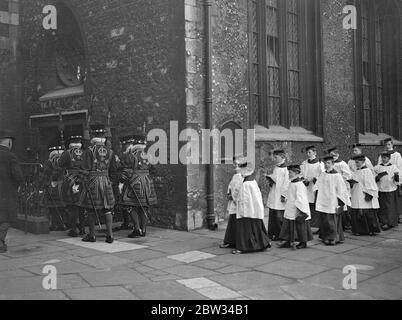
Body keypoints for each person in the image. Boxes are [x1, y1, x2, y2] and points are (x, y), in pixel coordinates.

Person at [79, 124, 119, 243]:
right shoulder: (110, 152)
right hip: (106, 182)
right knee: (108, 208)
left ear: (93, 136)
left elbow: (84, 169)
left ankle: (92, 235)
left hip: (93, 182)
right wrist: (110, 181)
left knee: (91, 209)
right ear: (103, 137)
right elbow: (114, 170)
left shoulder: (89, 151)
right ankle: (110, 235)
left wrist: (80, 182)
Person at [118, 132, 157, 238]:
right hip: (147, 182)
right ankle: (144, 229)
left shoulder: (132, 155)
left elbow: (127, 170)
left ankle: (137, 228)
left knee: (130, 205)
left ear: (134, 143)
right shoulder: (149, 155)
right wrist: (148, 177)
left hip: (134, 182)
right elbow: (153, 169)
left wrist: (122, 181)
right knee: (144, 206)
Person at [232, 159, 271, 254]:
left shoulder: (246, 184)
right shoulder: (252, 181)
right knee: (256, 227)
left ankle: (244, 247)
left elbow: (244, 201)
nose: (239, 171)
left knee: (246, 229)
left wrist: (242, 212)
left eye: (241, 169)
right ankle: (261, 244)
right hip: (254, 210)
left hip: (247, 212)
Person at [314, 155, 351, 246]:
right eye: (325, 163)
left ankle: (334, 237)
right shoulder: (323, 174)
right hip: (324, 200)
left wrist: (340, 201)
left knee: (332, 220)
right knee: (325, 219)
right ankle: (325, 236)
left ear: (333, 164)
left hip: (333, 200)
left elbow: (341, 189)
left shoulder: (337, 176)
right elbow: (318, 186)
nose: (326, 165)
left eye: (328, 163)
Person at [278, 165, 313, 250]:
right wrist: (284, 197)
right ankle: (288, 240)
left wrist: (300, 209)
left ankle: (303, 242)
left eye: (290, 172)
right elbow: (289, 192)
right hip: (290, 206)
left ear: (296, 173)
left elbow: (301, 198)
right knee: (288, 223)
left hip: (297, 207)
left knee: (299, 225)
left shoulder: (299, 185)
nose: (288, 174)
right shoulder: (292, 183)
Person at [0, 130, 24, 253]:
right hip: (7, 192)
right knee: (6, 218)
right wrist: (20, 184)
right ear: (9, 142)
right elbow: (17, 175)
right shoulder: (10, 155)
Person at [59, 136, 86, 237]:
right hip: (83, 179)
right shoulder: (85, 152)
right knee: (81, 204)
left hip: (71, 180)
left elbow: (60, 165)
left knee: (72, 205)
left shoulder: (67, 153)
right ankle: (82, 228)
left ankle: (73, 229)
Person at [349, 154, 381, 236]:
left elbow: (370, 183)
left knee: (367, 212)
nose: (356, 164)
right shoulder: (357, 170)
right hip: (356, 193)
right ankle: (359, 230)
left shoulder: (367, 171)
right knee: (357, 210)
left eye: (358, 162)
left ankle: (370, 229)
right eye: (355, 162)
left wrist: (369, 194)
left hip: (364, 194)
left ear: (363, 161)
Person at [41, 145, 67, 231]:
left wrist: (44, 183)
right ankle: (62, 223)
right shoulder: (64, 160)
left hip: (52, 185)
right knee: (61, 207)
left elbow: (46, 173)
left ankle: (54, 224)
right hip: (63, 185)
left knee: (52, 207)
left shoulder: (50, 161)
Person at [327, 146, 353, 231]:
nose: (333, 157)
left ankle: (346, 223)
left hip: (342, 186)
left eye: (334, 155)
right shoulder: (330, 163)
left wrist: (339, 178)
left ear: (337, 155)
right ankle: (338, 223)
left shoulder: (342, 164)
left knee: (343, 203)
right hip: (332, 187)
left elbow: (348, 175)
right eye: (331, 155)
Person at [220, 156, 243, 249]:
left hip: (238, 202)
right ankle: (231, 240)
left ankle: (236, 241)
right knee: (232, 221)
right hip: (233, 201)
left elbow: (240, 188)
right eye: (234, 163)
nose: (235, 165)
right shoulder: (235, 175)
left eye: (237, 163)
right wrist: (229, 193)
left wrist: (233, 196)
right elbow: (231, 186)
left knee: (237, 222)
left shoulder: (242, 175)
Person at [266, 149, 289, 241]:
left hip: (280, 195)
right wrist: (270, 180)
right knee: (273, 215)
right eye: (274, 157)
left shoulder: (286, 170)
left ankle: (281, 234)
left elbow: (286, 183)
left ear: (282, 157)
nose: (274, 159)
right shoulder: (276, 167)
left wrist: (284, 195)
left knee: (279, 216)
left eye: (276, 157)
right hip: (274, 192)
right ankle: (273, 233)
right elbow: (275, 179)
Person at [378, 138, 402, 224]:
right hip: (384, 180)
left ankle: (398, 216)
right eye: (386, 145)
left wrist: (398, 179)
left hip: (393, 178)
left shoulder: (396, 155)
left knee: (395, 200)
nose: (387, 146)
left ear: (392, 145)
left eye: (389, 144)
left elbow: (399, 167)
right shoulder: (382, 155)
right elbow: (378, 166)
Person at [374, 151, 400, 230]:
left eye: (385, 158)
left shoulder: (393, 167)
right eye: (382, 158)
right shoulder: (378, 167)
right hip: (381, 189)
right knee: (382, 207)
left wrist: (396, 177)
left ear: (389, 158)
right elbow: (373, 175)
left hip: (390, 189)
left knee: (390, 207)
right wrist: (377, 177)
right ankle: (383, 221)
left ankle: (390, 222)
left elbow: (397, 179)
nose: (383, 159)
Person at [300, 145, 323, 230]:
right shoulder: (304, 163)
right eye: (307, 152)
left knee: (315, 204)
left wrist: (314, 179)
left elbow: (323, 175)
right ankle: (308, 223)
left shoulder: (320, 164)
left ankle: (315, 224)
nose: (308, 154)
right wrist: (304, 179)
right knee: (307, 203)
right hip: (306, 186)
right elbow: (301, 174)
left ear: (315, 153)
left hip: (315, 186)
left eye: (310, 152)